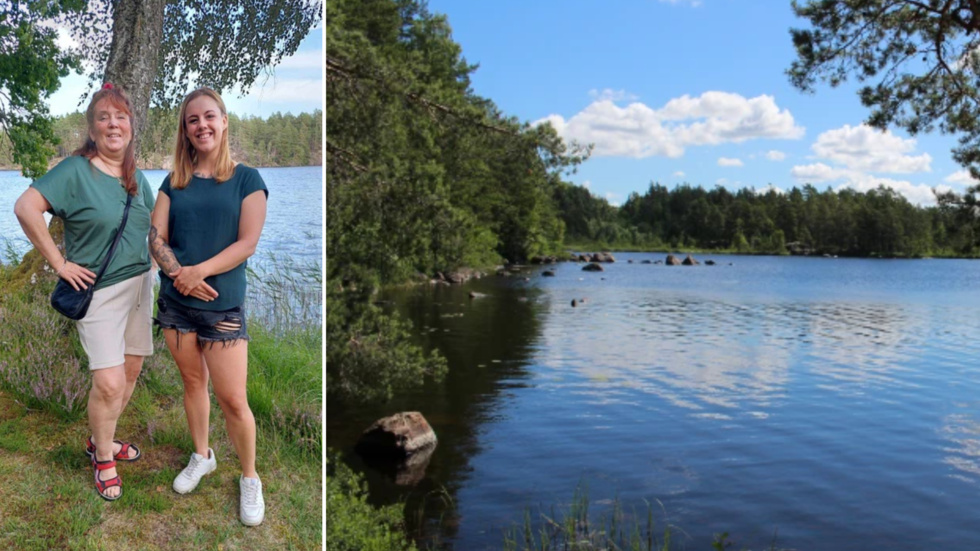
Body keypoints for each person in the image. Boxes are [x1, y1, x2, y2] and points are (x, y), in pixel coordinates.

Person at [13, 83, 155, 501]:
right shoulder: (75, 171)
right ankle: (103, 461)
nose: (113, 124)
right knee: (109, 382)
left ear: (131, 126)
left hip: (141, 286)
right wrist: (59, 263)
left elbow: (157, 227)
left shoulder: (135, 178)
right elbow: (25, 207)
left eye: (121, 117)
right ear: (92, 130)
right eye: (104, 118)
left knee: (129, 374)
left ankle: (101, 442)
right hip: (99, 293)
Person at [149, 87, 268, 526]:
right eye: (192, 120)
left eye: (209, 117)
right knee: (191, 383)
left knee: (234, 399)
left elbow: (247, 243)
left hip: (223, 309)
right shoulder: (173, 181)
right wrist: (180, 274)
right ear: (185, 129)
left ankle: (249, 478)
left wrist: (198, 271)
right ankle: (202, 456)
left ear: (224, 121)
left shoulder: (247, 179)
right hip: (176, 306)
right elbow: (155, 237)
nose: (202, 125)